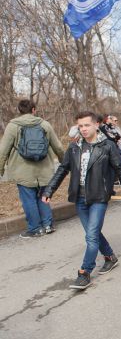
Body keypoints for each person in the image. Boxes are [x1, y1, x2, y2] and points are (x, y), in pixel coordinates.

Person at [42, 111, 121, 290]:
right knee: (94, 234)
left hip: (99, 197)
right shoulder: (75, 146)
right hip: (80, 198)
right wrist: (49, 190)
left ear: (96, 125)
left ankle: (85, 272)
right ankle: (110, 257)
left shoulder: (107, 145)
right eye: (80, 126)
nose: (83, 129)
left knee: (91, 235)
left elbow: (120, 168)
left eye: (86, 125)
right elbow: (62, 169)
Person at [0, 100, 64, 238]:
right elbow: (58, 147)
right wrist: (63, 162)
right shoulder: (45, 124)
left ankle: (35, 229)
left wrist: (1, 169)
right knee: (44, 196)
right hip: (44, 169)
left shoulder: (12, 126)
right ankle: (47, 225)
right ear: (34, 110)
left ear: (19, 110)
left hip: (22, 171)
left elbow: (3, 151)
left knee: (29, 200)